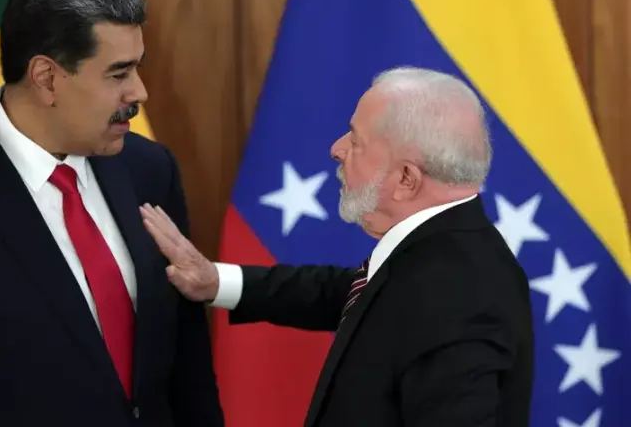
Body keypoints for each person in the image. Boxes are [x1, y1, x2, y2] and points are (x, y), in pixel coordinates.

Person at [140, 66, 534, 427]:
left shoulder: (457, 295)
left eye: (356, 141)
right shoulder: (439, 252)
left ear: (406, 180)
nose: (337, 148)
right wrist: (215, 281)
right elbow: (348, 294)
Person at [0, 0, 223, 426]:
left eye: (137, 68)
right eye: (118, 74)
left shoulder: (149, 169)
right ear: (47, 77)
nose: (140, 92)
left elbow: (186, 367)